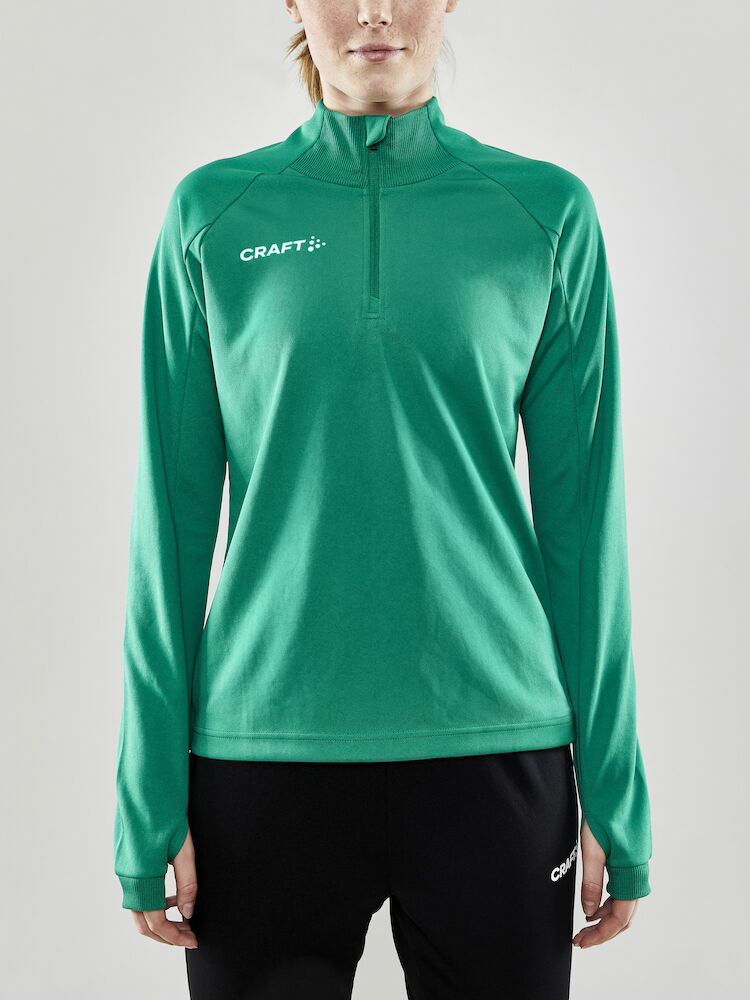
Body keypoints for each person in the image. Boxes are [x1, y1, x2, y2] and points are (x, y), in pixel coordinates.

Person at [113, 1, 653, 996]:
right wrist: (148, 792)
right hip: (259, 760)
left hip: (497, 756)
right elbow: (170, 529)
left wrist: (616, 790)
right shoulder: (213, 216)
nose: (372, 10)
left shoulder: (544, 214)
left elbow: (585, 528)